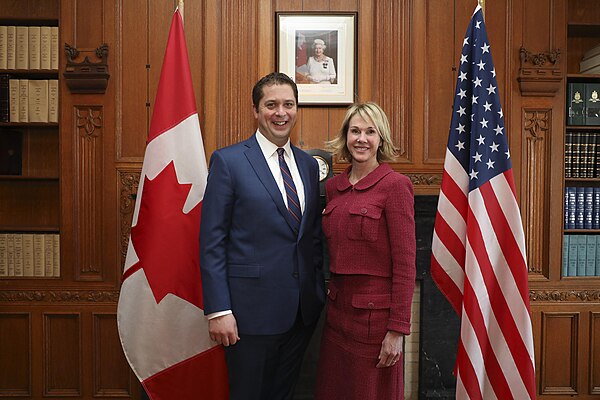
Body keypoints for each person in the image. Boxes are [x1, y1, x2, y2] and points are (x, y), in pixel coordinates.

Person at [199, 72, 326, 400]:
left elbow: (310, 237)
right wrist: (218, 310)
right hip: (247, 316)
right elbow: (212, 241)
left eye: (288, 104)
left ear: (297, 109)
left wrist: (316, 292)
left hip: (301, 314)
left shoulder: (308, 166)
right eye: (271, 105)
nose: (280, 112)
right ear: (255, 111)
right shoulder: (228, 161)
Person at [314, 102, 416, 400]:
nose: (362, 139)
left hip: (375, 325)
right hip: (337, 316)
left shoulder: (396, 186)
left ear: (380, 139)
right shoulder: (334, 187)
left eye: (370, 132)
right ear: (345, 136)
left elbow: (406, 264)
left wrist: (397, 331)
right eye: (355, 131)